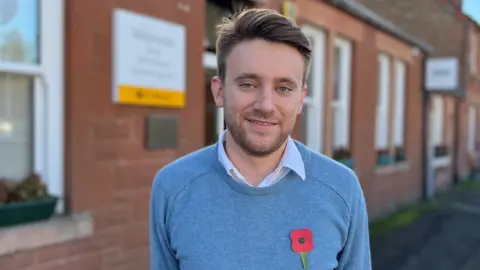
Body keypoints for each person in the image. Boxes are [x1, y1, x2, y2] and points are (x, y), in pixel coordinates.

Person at [149, 7, 371, 270]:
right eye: (248, 84)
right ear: (219, 92)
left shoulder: (341, 188)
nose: (266, 104)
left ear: (301, 99)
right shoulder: (173, 187)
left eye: (284, 88)